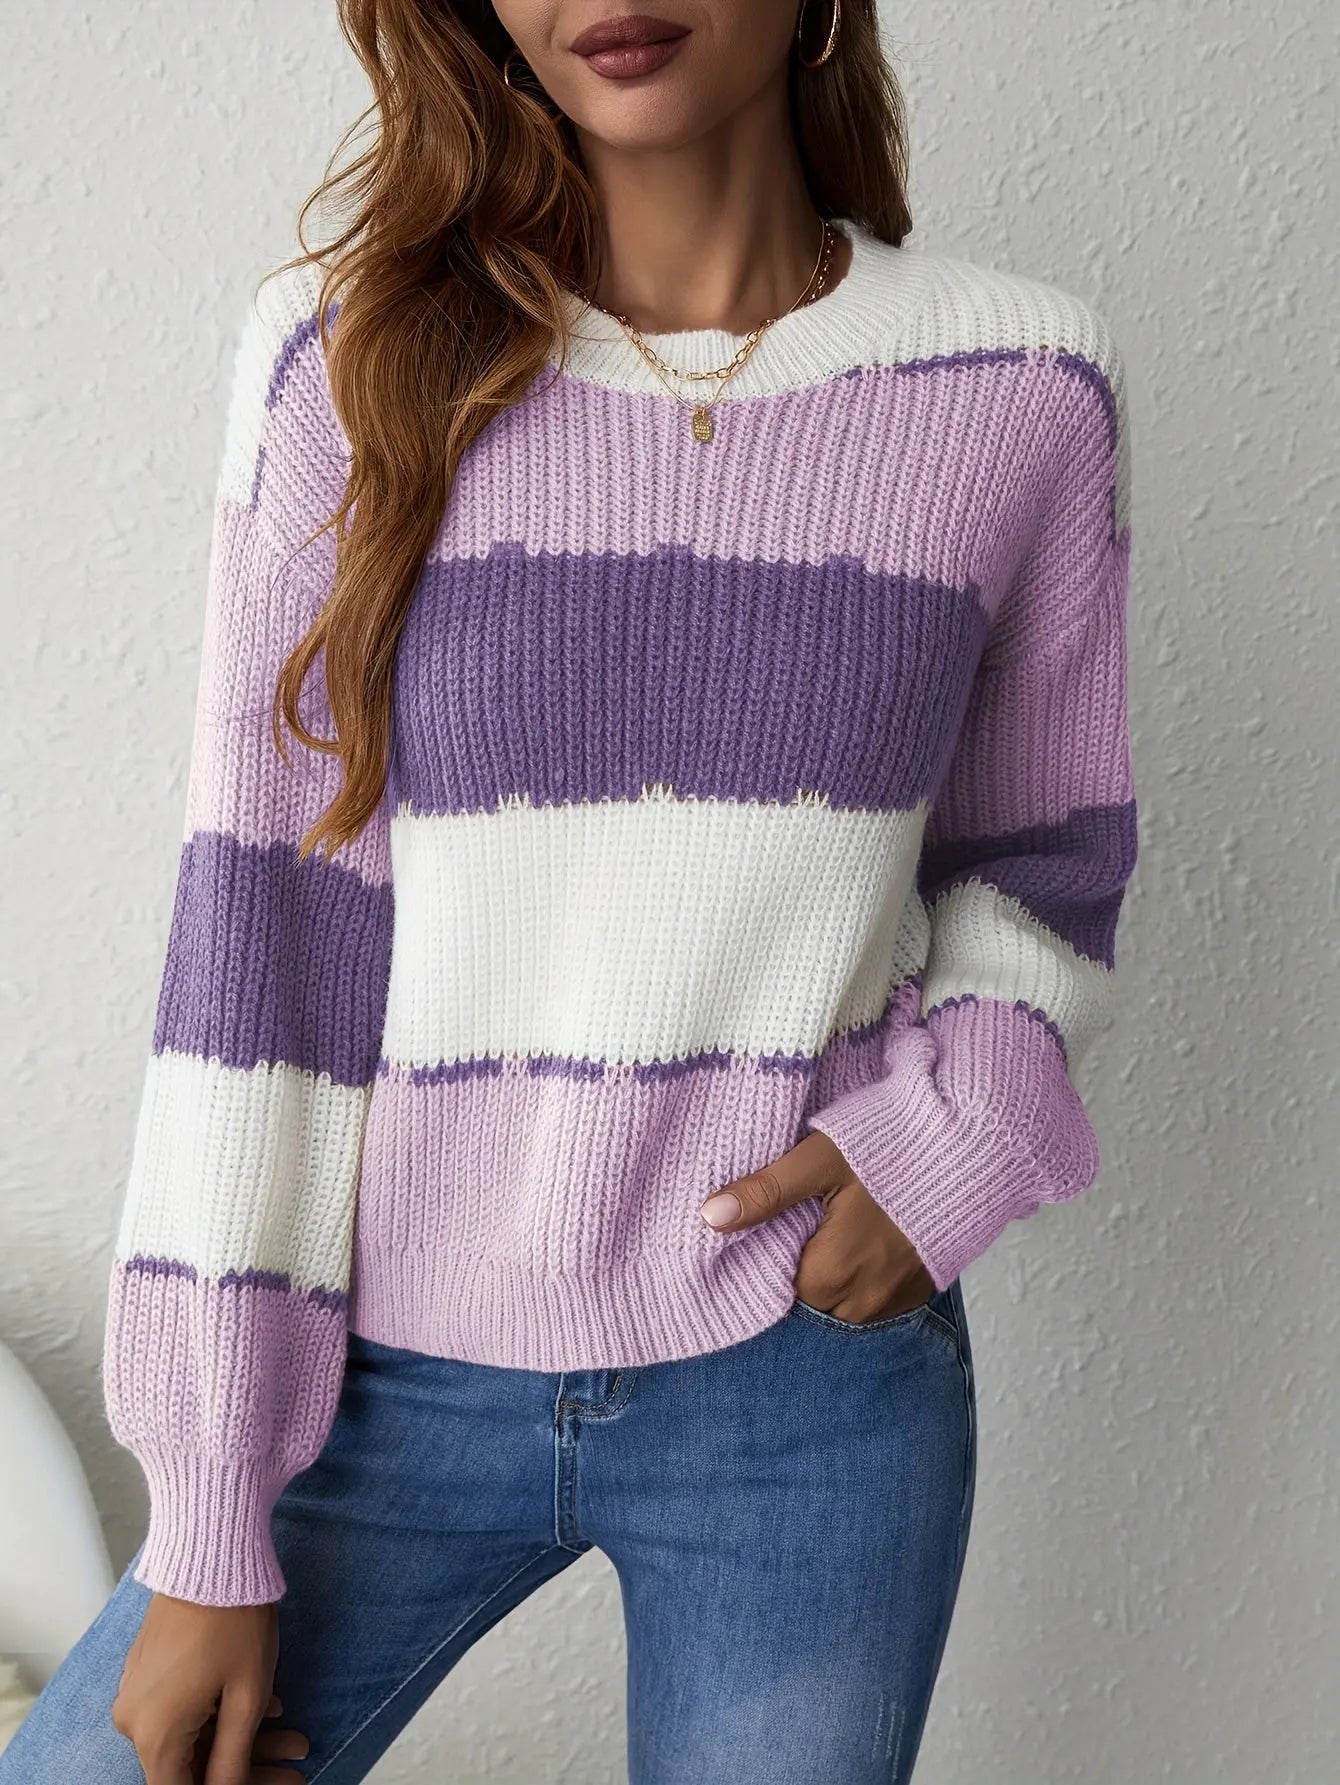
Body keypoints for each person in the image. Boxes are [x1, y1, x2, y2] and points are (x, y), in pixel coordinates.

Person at [2, 0, 1137, 1780]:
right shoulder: (349, 357)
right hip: (376, 1372)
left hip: (804, 1369)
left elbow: (1041, 856)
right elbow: (263, 942)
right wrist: (214, 1515)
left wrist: (957, 1135)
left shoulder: (1020, 387)